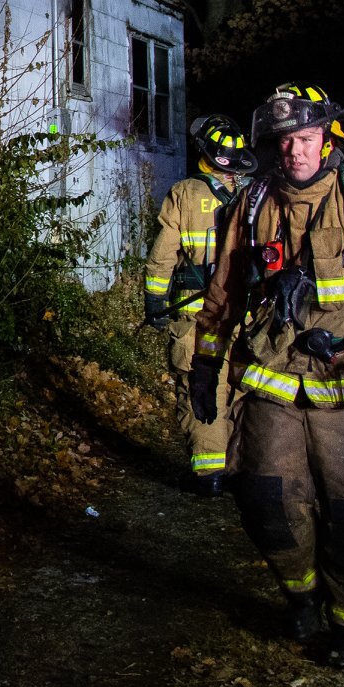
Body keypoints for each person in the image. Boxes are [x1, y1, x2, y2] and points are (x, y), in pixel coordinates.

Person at [190, 86, 344, 669]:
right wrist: (206, 364)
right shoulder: (252, 204)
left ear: (327, 138)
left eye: (305, 138)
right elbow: (224, 292)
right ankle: (301, 595)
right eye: (284, 141)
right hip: (272, 385)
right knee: (265, 502)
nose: (295, 151)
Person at [143, 114, 258, 495]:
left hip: (198, 319)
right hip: (245, 316)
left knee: (201, 389)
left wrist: (155, 300)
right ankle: (243, 469)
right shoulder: (255, 195)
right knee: (243, 389)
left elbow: (164, 253)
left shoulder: (185, 194)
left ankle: (209, 475)